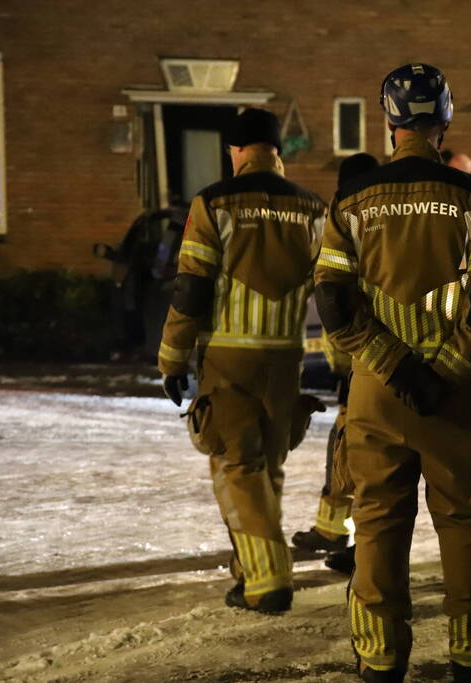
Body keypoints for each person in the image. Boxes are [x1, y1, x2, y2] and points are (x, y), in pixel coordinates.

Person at [315, 63, 471, 683]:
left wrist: (395, 368)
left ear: (389, 120)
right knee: (464, 526)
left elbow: (333, 303)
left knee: (376, 527)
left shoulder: (351, 201)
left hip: (379, 394)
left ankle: (379, 661)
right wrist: (445, 369)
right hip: (453, 396)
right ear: (445, 118)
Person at [158, 108, 326, 614]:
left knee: (237, 468)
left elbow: (192, 287)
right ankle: (248, 570)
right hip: (286, 358)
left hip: (231, 358)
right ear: (275, 150)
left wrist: (172, 355)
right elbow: (336, 292)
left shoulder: (215, 203)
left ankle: (268, 578)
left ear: (235, 150)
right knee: (267, 469)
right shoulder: (314, 208)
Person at [292, 152, 381, 576]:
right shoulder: (362, 222)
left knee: (362, 458)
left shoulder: (361, 227)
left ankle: (362, 544)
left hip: (369, 361)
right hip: (356, 363)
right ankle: (334, 532)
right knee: (343, 451)